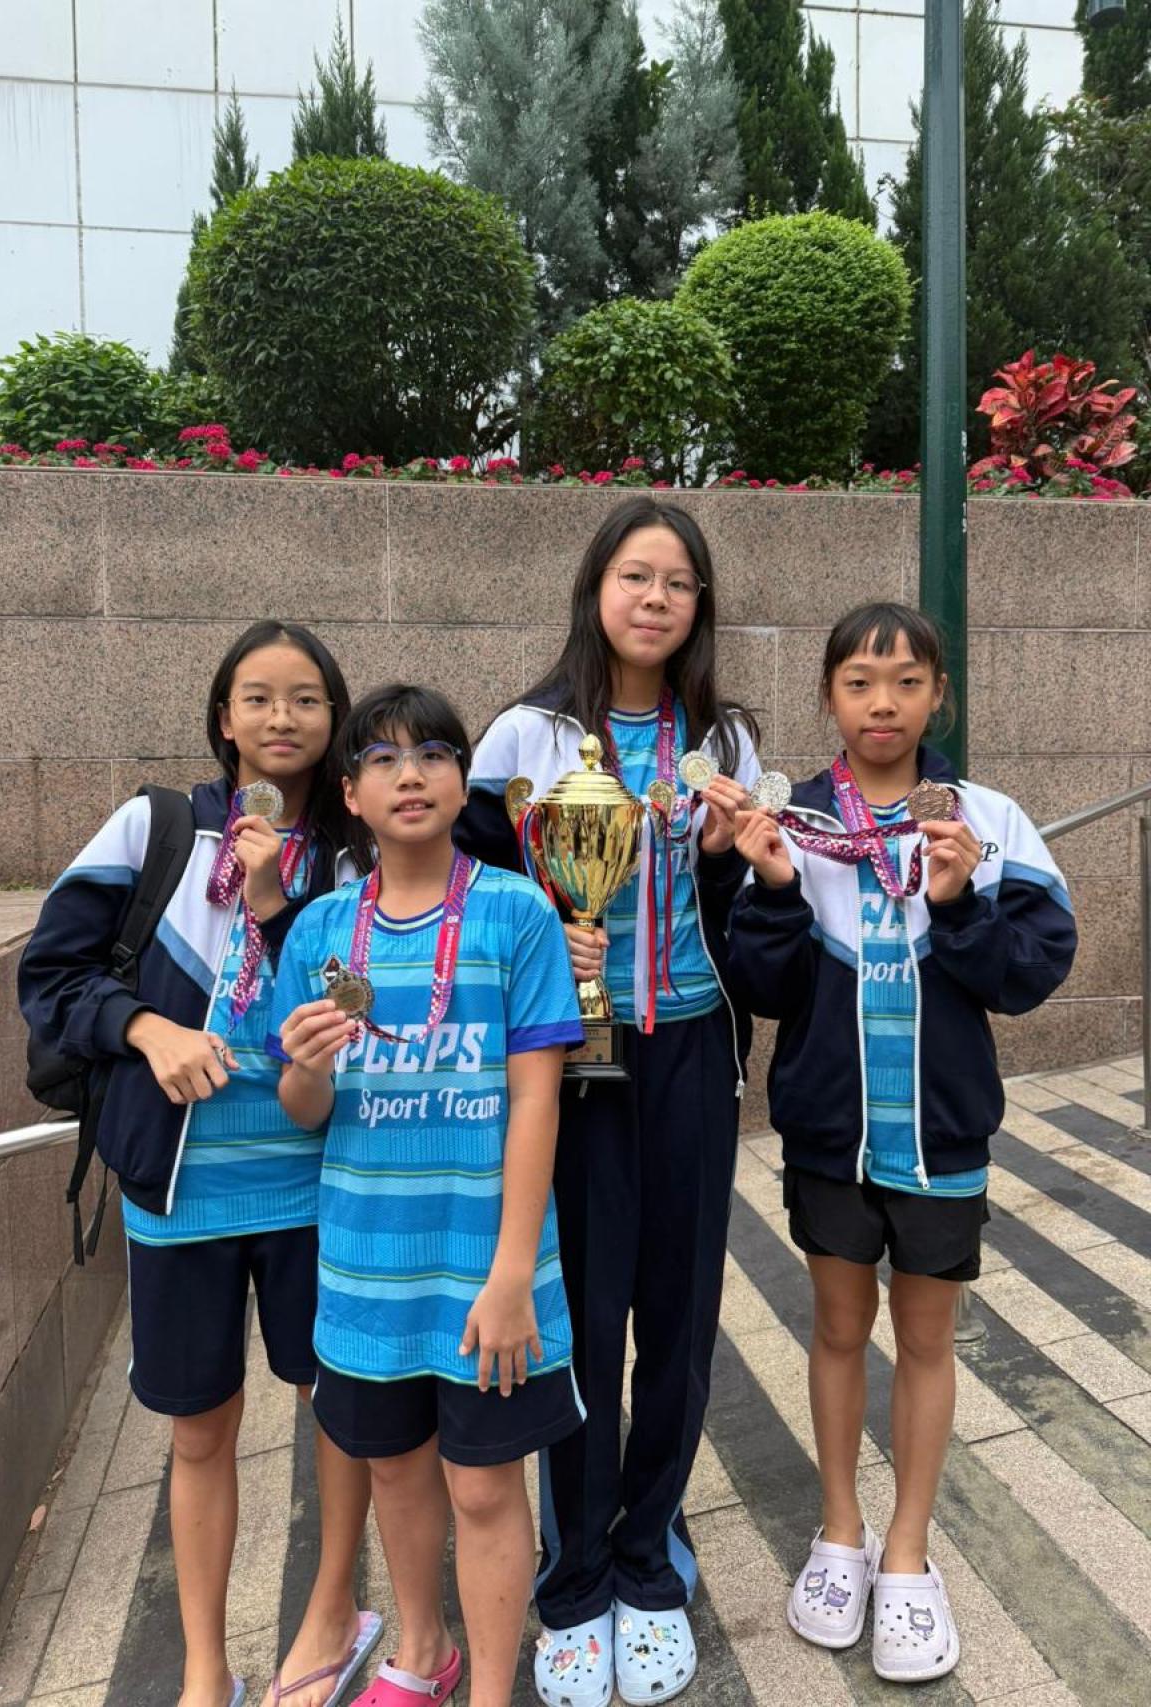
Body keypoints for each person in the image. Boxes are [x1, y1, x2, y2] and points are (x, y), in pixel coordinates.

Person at [20, 622, 381, 1707]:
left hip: (321, 1182)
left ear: (334, 717)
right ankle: (203, 1667)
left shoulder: (358, 849)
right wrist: (145, 1029)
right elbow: (52, 975)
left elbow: (370, 998)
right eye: (258, 697)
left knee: (340, 1408)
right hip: (181, 1190)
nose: (282, 718)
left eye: (306, 698)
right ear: (223, 716)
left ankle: (331, 1612)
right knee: (199, 1426)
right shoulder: (157, 827)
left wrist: (278, 904)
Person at [727, 600, 1076, 1684]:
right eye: (859, 682)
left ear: (938, 697)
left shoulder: (987, 821)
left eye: (906, 681)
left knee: (927, 1340)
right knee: (837, 1330)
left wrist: (959, 899)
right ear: (828, 697)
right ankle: (841, 1531)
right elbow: (760, 985)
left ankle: (910, 1553)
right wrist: (774, 887)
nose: (882, 703)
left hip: (941, 1135)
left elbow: (1028, 975)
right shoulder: (790, 822)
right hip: (831, 1135)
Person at [456, 496, 761, 1707]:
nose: (654, 598)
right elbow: (469, 900)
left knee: (678, 1318)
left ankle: (649, 1557)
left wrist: (738, 860)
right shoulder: (522, 737)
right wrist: (547, 938)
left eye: (677, 582)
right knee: (580, 1317)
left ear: (698, 606)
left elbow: (754, 917)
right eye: (635, 575)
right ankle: (574, 1578)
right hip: (572, 1065)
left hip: (687, 1051)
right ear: (595, 588)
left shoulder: (723, 742)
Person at [269, 684, 586, 1707]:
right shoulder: (320, 929)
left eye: (434, 754)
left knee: (485, 1484)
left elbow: (536, 1099)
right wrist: (307, 1064)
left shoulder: (516, 911)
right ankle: (422, 1650)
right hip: (366, 1268)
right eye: (382, 760)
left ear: (462, 780)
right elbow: (303, 1110)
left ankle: (490, 1688)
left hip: (485, 1268)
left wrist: (512, 1274)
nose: (410, 775)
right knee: (396, 1472)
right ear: (349, 794)